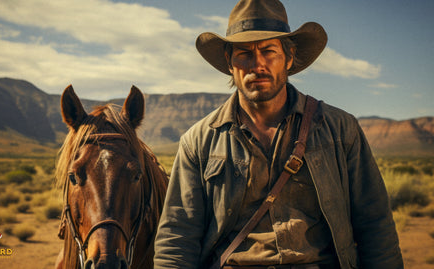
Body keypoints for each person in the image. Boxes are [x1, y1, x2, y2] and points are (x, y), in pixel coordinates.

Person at [154, 0, 404, 268]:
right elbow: (177, 238)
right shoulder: (199, 141)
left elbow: (375, 225)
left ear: (289, 56)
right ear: (229, 61)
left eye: (268, 51)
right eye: (244, 53)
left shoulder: (340, 130)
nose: (257, 64)